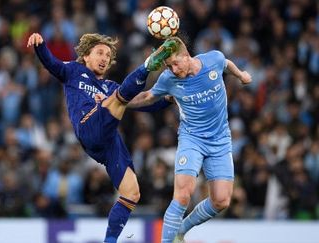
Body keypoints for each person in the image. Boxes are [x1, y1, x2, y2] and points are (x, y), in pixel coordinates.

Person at [27, 32, 176, 243]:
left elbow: (143, 99)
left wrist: (168, 99)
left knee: (132, 193)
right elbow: (51, 63)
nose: (105, 58)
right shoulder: (73, 71)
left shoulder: (110, 87)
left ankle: (110, 241)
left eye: (108, 55)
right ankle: (148, 66)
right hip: (88, 127)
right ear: (86, 56)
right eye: (99, 53)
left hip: (107, 142)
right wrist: (40, 46)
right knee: (118, 99)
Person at [127, 36, 252, 243]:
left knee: (221, 200)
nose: (173, 70)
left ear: (187, 56)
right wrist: (120, 102)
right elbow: (148, 96)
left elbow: (226, 64)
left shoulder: (213, 59)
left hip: (220, 140)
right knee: (183, 194)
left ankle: (181, 230)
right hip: (191, 138)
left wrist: (240, 75)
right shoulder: (169, 79)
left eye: (175, 63)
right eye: (169, 66)